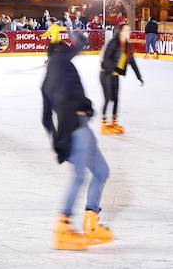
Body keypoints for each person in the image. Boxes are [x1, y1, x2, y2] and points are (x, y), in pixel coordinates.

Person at [41, 33, 113, 250]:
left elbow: (45, 119)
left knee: (101, 172)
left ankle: (91, 222)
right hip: (76, 129)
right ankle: (63, 227)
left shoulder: (46, 82)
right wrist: (73, 31)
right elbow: (80, 43)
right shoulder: (61, 60)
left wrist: (56, 141)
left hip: (76, 130)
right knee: (80, 177)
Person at [99, 22, 145, 134]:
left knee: (116, 99)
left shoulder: (127, 46)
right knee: (108, 98)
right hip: (106, 73)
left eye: (129, 30)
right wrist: (111, 70)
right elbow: (106, 58)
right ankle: (103, 123)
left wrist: (139, 76)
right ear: (120, 31)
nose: (129, 32)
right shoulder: (113, 42)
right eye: (126, 30)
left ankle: (114, 122)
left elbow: (132, 62)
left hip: (115, 75)